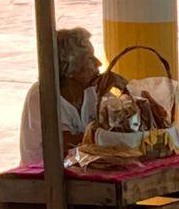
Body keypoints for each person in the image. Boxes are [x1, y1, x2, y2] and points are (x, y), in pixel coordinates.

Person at [17, 28, 123, 165]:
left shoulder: (91, 89)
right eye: (90, 59)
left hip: (81, 168)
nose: (98, 64)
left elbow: (124, 115)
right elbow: (67, 145)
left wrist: (121, 88)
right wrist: (111, 138)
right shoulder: (42, 95)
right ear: (70, 69)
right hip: (44, 176)